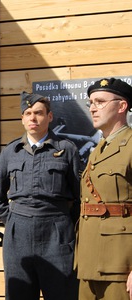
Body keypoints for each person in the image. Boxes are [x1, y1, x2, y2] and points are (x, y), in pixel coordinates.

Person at [0, 92, 81, 300]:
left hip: (57, 235)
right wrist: (13, 220)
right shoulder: (10, 152)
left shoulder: (67, 150)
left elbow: (80, 197)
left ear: (50, 117)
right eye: (28, 113)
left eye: (38, 113)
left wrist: (63, 222)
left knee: (63, 294)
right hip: (18, 235)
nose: (33, 118)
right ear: (22, 118)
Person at [75, 78, 132, 300]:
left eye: (100, 102)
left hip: (120, 264)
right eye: (90, 102)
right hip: (89, 262)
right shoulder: (98, 150)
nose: (92, 108)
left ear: (121, 106)